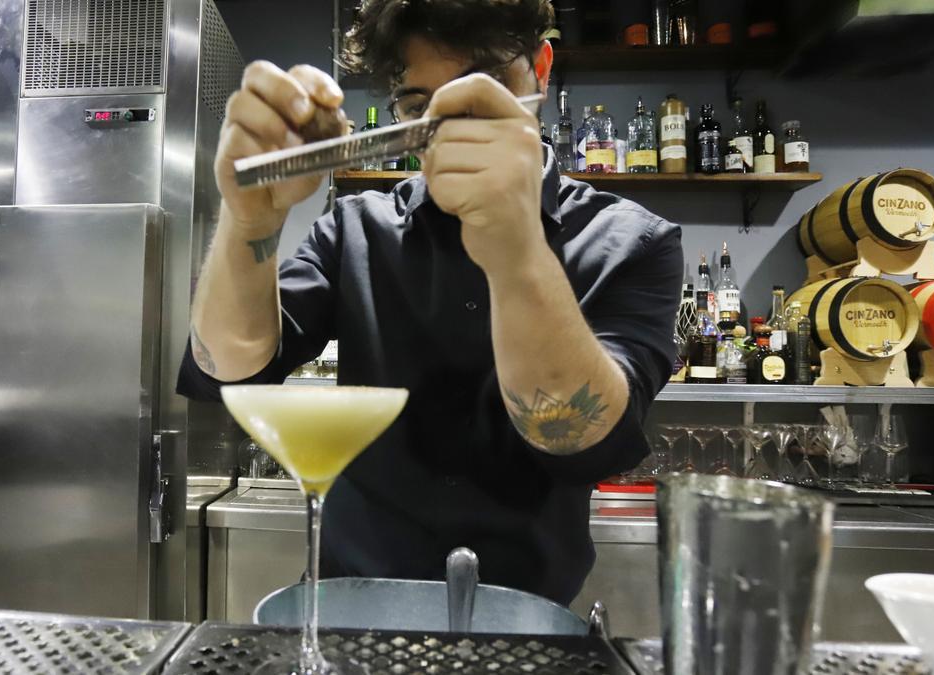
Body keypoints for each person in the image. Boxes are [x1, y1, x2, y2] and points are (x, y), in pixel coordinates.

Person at [178, 0, 682, 605]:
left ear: (541, 70)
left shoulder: (633, 241)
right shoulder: (353, 229)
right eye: (420, 107)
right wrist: (247, 218)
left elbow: (585, 440)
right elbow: (228, 366)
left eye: (484, 91)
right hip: (352, 612)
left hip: (527, 628)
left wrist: (517, 247)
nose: (454, 128)